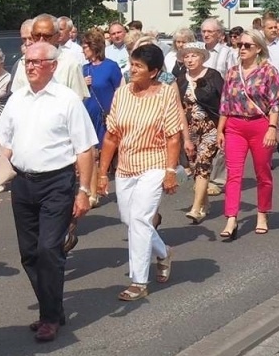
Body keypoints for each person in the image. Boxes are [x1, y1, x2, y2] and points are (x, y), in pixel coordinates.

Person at [0, 41, 98, 343]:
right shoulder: (17, 99)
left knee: (49, 249)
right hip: (23, 183)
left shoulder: (67, 100)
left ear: (53, 64)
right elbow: (3, 146)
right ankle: (54, 307)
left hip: (57, 182)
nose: (31, 66)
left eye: (37, 62)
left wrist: (84, 190)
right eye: (27, 62)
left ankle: (49, 317)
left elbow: (85, 149)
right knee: (29, 253)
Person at [99, 43, 184, 300]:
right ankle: (164, 252)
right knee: (129, 219)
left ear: (154, 71)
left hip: (154, 164)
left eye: (138, 66)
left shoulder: (165, 94)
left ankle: (138, 281)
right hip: (125, 166)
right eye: (131, 64)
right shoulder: (122, 93)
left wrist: (170, 171)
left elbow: (173, 136)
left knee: (139, 219)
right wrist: (102, 173)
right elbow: (112, 136)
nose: (132, 70)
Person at [216, 28, 279, 241]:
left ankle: (262, 213)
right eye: (240, 45)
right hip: (235, 125)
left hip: (260, 125)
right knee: (233, 174)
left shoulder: (268, 71)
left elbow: (275, 103)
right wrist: (220, 129)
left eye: (247, 46)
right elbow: (225, 102)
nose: (242, 49)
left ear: (258, 48)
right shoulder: (232, 72)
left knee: (263, 172)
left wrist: (272, 127)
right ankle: (231, 218)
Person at [176, 42, 223, 224]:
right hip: (189, 130)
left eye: (194, 55)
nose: (190, 59)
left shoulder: (213, 75)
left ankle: (196, 208)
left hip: (210, 126)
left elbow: (223, 102)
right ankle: (205, 203)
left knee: (203, 163)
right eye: (186, 56)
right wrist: (184, 137)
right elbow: (178, 107)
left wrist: (222, 129)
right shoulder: (180, 79)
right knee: (195, 166)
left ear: (202, 57)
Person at [80, 27, 122, 189]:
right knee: (92, 155)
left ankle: (109, 184)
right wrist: (83, 84)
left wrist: (116, 114)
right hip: (89, 115)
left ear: (94, 46)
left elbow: (120, 91)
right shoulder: (84, 69)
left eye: (85, 47)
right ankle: (93, 191)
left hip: (106, 117)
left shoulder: (111, 66)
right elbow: (78, 95)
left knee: (108, 153)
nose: (83, 50)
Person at [12, 14, 90, 97]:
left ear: (57, 36)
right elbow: (16, 97)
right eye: (37, 36)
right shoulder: (24, 62)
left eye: (47, 36)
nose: (41, 40)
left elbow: (78, 100)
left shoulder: (70, 64)